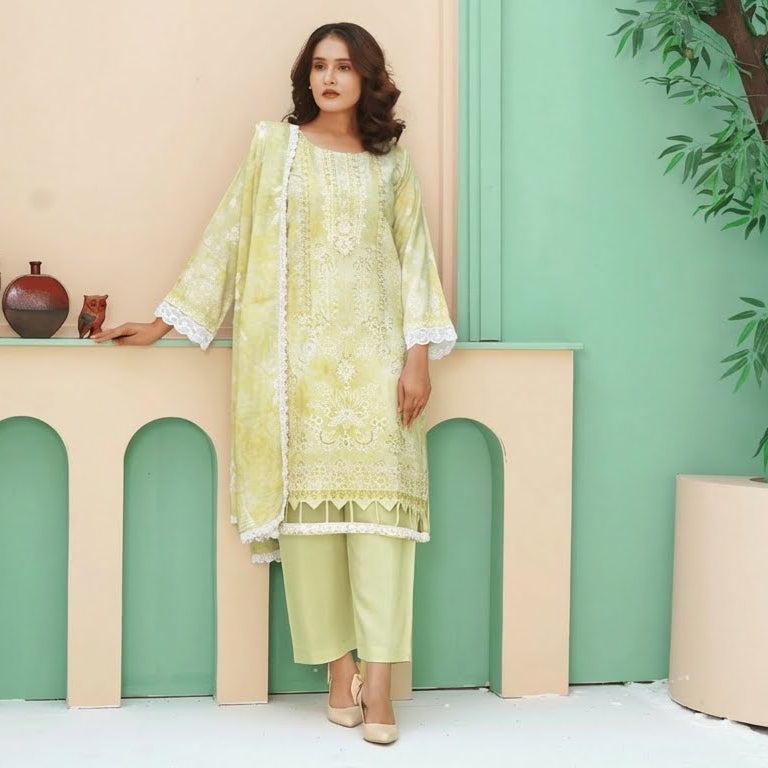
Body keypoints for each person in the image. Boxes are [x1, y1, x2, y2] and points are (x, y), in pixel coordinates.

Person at [93, 21, 456, 745]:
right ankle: (338, 670)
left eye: (344, 67)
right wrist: (165, 322)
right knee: (313, 533)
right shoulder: (275, 147)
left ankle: (379, 686)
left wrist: (417, 357)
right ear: (306, 77)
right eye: (319, 66)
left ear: (367, 79)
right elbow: (228, 235)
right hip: (297, 372)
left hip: (378, 366)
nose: (329, 78)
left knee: (384, 528)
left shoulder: (392, 164)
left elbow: (414, 260)